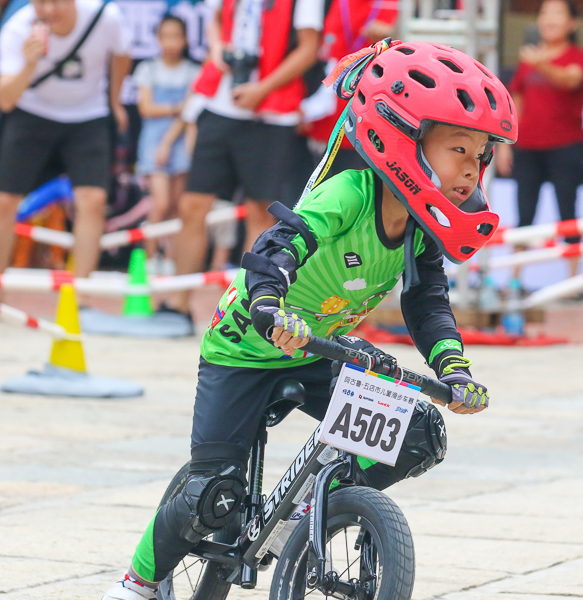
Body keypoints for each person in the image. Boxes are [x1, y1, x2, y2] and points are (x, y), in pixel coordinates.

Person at [100, 39, 516, 600]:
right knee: (209, 495)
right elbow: (281, 243)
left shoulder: (421, 228)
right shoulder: (349, 192)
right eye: (460, 149)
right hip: (247, 346)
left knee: (417, 435)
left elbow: (428, 304)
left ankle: (304, 516)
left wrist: (456, 372)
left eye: (482, 155)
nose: (473, 169)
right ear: (404, 141)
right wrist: (269, 304)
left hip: (321, 351)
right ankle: (138, 584)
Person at [162, 0, 325, 323]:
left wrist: (263, 87)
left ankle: (247, 315)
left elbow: (309, 48)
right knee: (192, 205)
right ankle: (177, 306)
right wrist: (218, 47)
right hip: (219, 101)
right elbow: (215, 17)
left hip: (271, 110)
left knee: (260, 213)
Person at [0, 0, 131, 279]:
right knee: (4, 201)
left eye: (55, 2)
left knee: (93, 199)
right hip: (32, 112)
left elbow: (122, 54)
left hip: (87, 115)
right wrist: (28, 64)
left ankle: (78, 294)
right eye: (40, 2)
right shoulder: (18, 28)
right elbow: (6, 100)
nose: (48, 10)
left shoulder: (104, 16)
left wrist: (115, 100)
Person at [495, 0, 583, 277]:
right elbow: (517, 99)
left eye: (558, 13)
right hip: (527, 147)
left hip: (566, 145)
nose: (550, 18)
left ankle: (573, 280)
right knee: (524, 215)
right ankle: (515, 280)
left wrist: (542, 64)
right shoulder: (529, 60)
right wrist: (505, 144)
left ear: (572, 23)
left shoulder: (578, 55)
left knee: (568, 212)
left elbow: (571, 79)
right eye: (545, 13)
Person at [133, 14, 201, 273]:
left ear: (185, 40)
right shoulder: (147, 69)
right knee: (159, 204)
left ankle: (172, 261)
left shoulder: (193, 71)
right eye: (166, 36)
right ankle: (149, 260)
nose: (171, 42)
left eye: (177, 36)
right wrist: (177, 107)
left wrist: (177, 124)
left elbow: (190, 114)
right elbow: (146, 108)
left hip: (182, 142)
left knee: (176, 206)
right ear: (158, 39)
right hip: (153, 142)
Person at [300, 0, 397, 177]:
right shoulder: (326, 4)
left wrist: (396, 33)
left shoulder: (398, 5)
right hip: (323, 116)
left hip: (374, 118)